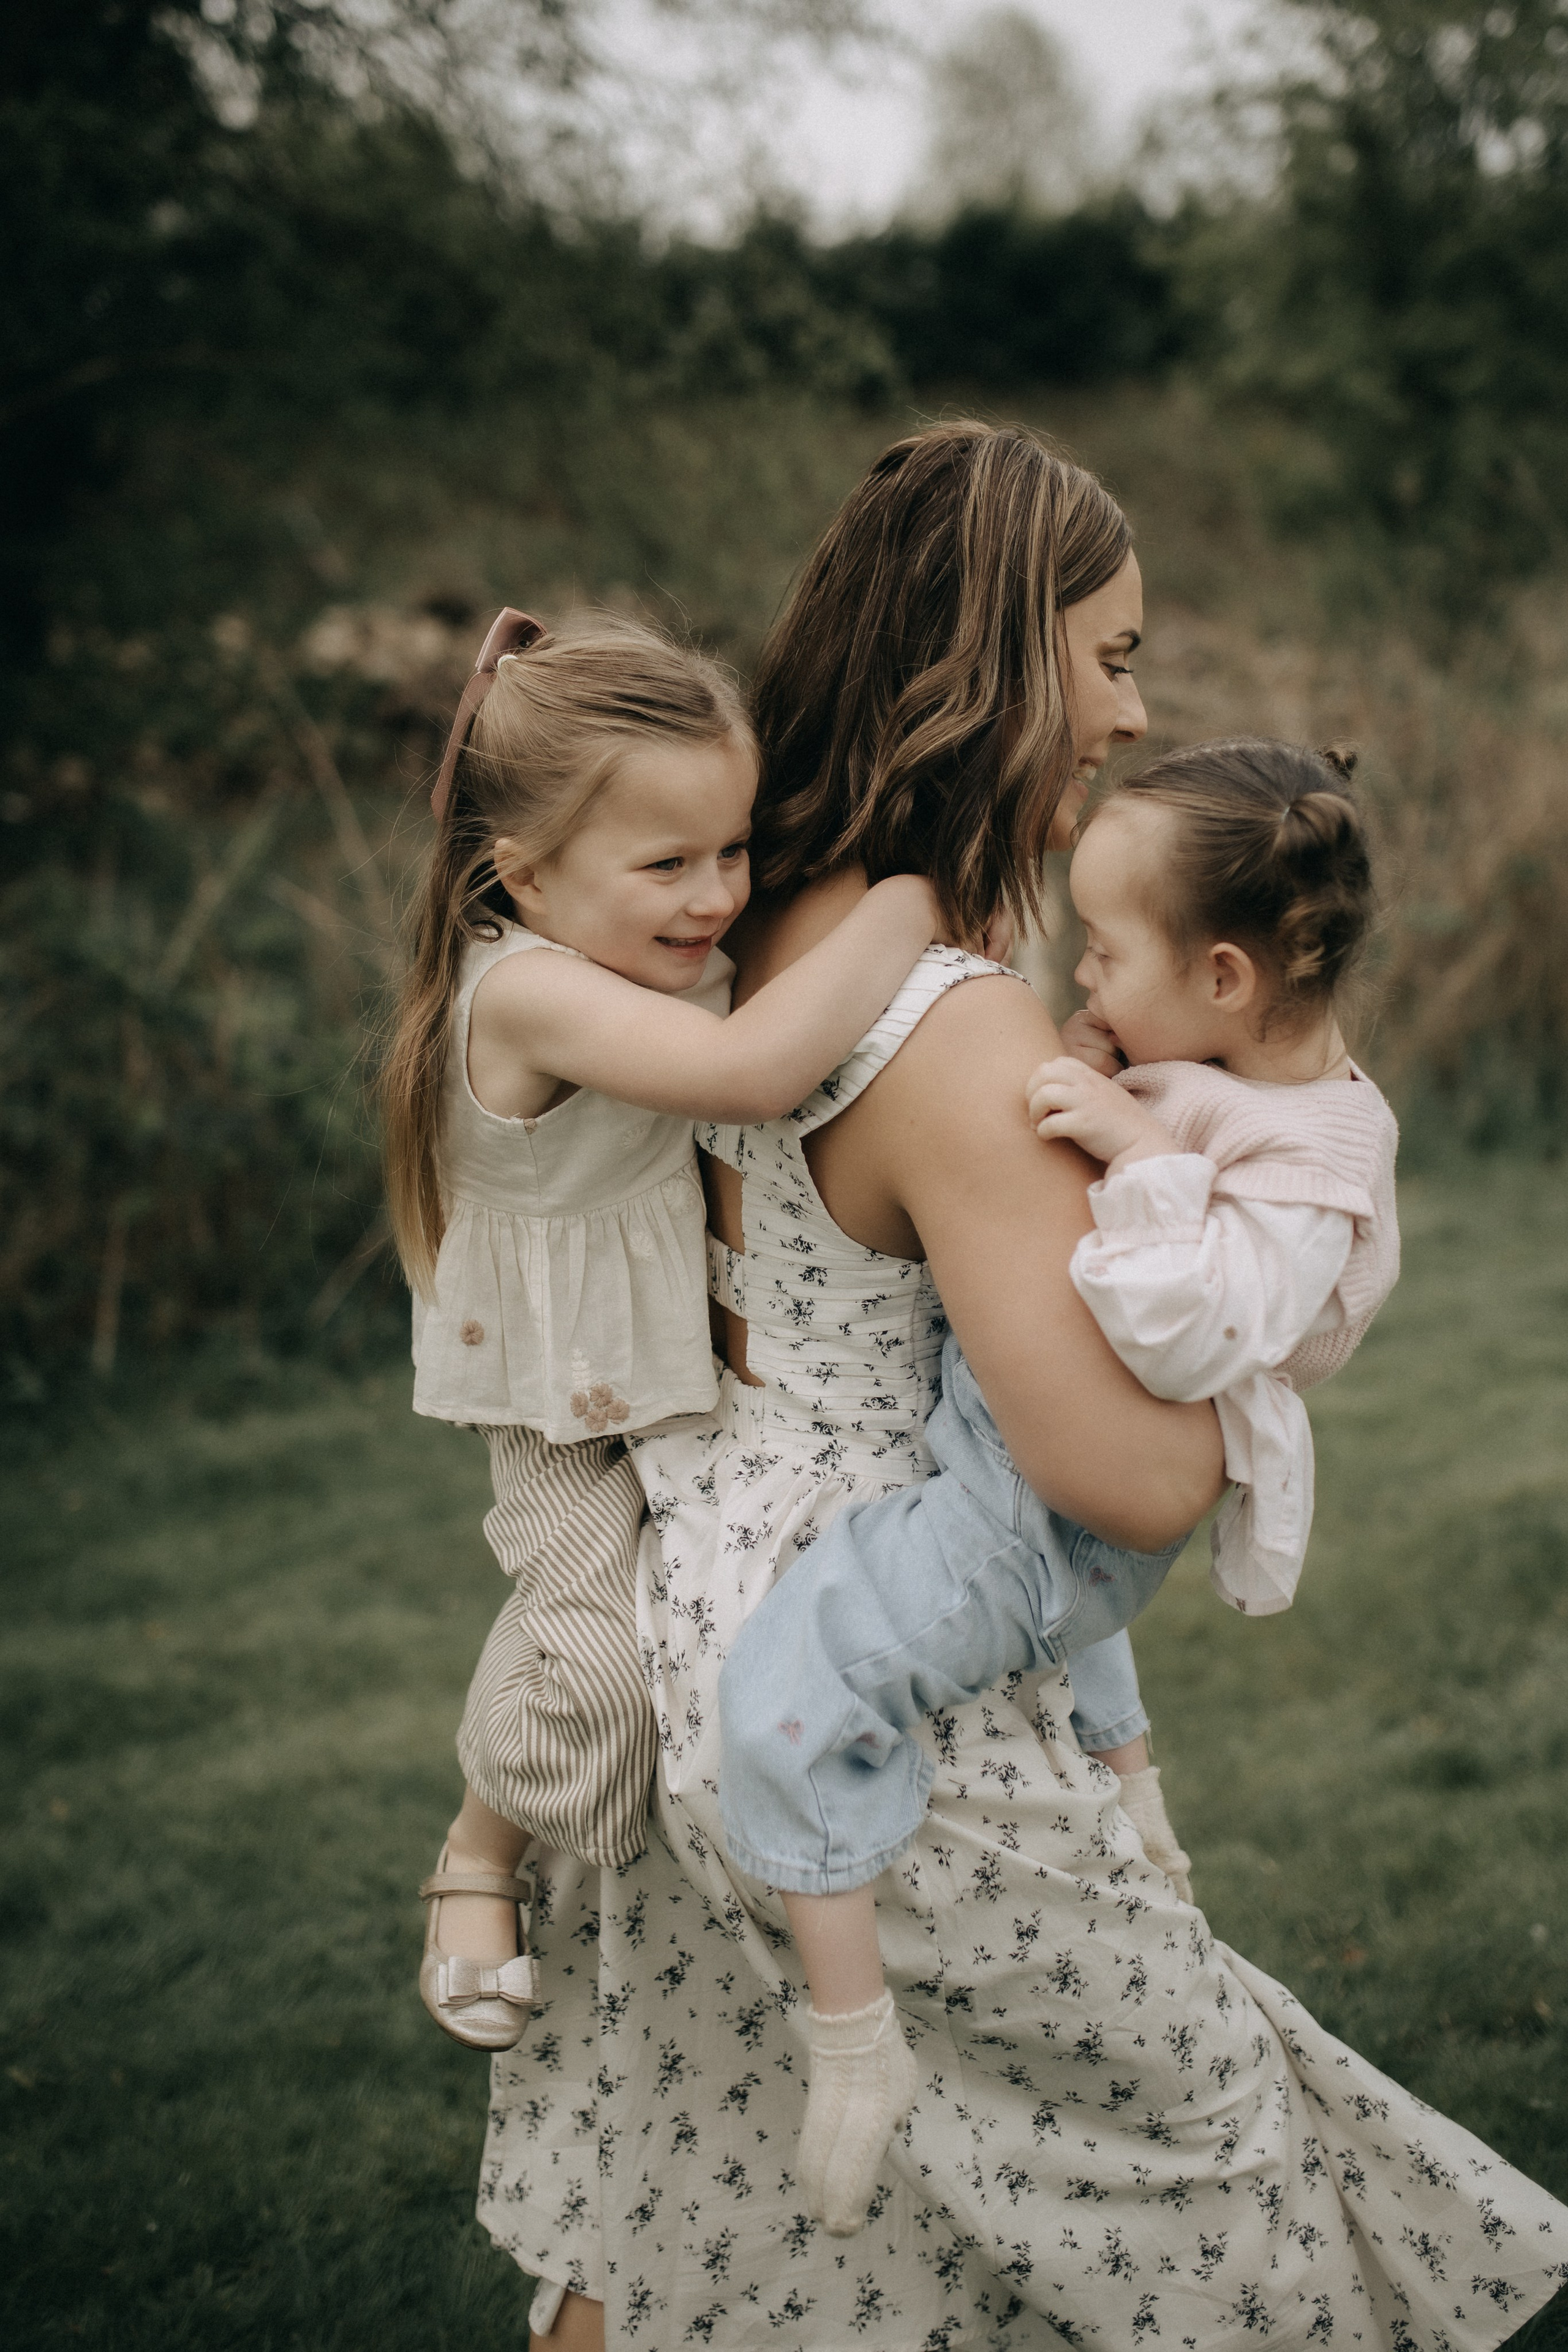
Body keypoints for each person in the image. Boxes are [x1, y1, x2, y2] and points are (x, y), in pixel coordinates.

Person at [477, 423, 1568, 2352]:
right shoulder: (950, 1020)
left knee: (712, 2203)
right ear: (997, 654)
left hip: (702, 1619)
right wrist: (1265, 1332)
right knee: (1207, 2178)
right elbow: (1127, 1479)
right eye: (1113, 656)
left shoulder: (751, 919)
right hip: (873, 1676)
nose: (1134, 717)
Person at [717, 737, 1401, 2232]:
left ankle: (851, 2047)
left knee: (787, 1675)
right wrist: (1127, 1092)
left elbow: (1191, 1327)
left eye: (1099, 952)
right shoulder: (1227, 1064)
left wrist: (1137, 1149)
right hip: (1026, 1477)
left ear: (1223, 978)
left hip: (1051, 1515)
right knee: (1049, 1608)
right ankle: (1136, 1799)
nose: (1076, 981)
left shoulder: (1309, 1166)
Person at [380, 606, 947, 2048]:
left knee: (667, 1630)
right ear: (524, 875)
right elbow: (751, 1070)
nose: (714, 897)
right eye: (668, 864)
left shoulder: (629, 944)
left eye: (733, 852)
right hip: (558, 1394)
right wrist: (905, 907)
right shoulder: (523, 989)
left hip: (666, 1371)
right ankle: (474, 1863)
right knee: (593, 1644)